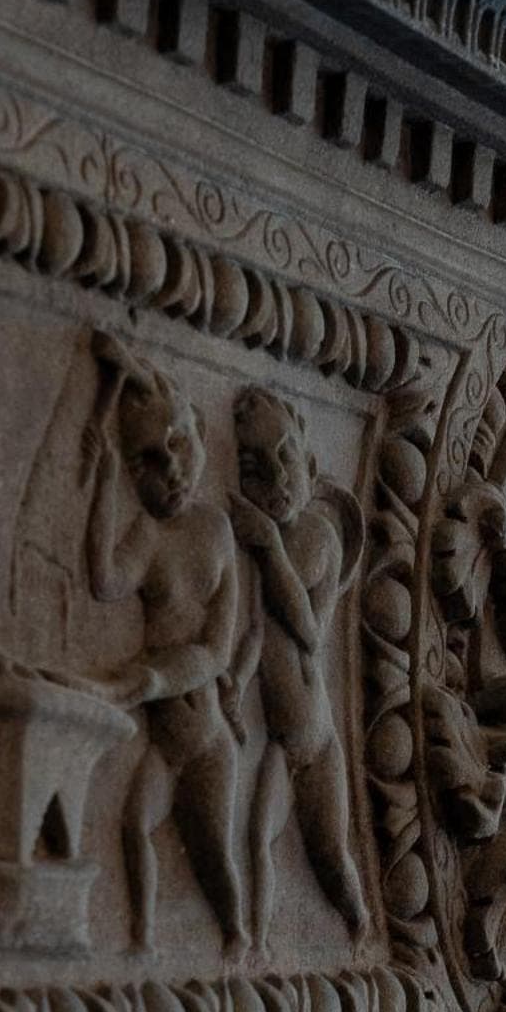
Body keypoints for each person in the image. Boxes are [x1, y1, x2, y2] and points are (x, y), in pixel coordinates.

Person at [83, 332, 247, 951]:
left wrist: (150, 678)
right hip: (164, 742)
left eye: (177, 444)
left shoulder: (216, 530)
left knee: (212, 850)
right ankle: (143, 941)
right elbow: (105, 581)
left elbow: (216, 652)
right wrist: (104, 483)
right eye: (147, 462)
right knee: (134, 824)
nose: (170, 470)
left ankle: (237, 935)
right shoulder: (148, 536)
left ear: (200, 429)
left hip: (207, 741)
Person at [228, 387, 369, 951]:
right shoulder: (264, 547)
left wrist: (267, 545)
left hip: (318, 742)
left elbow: (310, 632)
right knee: (257, 837)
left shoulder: (316, 536)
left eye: (284, 457)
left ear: (310, 467)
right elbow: (256, 635)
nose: (275, 479)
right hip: (283, 745)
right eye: (253, 469)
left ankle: (359, 925)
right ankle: (256, 943)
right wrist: (233, 686)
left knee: (330, 854)